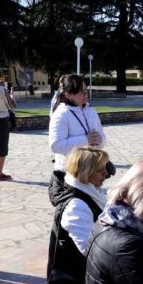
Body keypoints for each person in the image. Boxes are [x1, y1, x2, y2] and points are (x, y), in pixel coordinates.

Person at [48, 147, 109, 284]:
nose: (106, 173)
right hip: (73, 277)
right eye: (100, 170)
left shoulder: (92, 192)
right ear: (85, 172)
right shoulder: (76, 206)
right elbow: (89, 249)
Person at [49, 74, 107, 206]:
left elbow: (102, 139)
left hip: (90, 173)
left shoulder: (91, 111)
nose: (85, 94)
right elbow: (56, 145)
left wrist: (99, 141)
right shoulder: (61, 114)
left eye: (86, 90)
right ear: (69, 95)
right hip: (68, 175)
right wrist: (85, 139)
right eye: (80, 91)